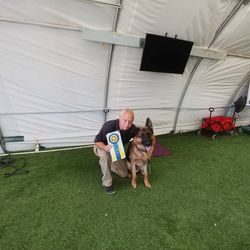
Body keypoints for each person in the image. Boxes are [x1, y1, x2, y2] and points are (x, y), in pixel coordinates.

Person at [93, 109, 136, 194]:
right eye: (125, 120)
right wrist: (105, 147)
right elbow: (97, 141)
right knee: (106, 156)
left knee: (123, 174)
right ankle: (107, 183)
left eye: (130, 122)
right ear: (120, 118)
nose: (127, 124)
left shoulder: (132, 128)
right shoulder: (109, 126)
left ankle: (107, 164)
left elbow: (138, 138)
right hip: (102, 147)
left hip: (117, 151)